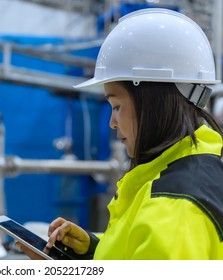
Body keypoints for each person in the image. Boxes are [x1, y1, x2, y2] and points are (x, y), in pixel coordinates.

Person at [16, 8, 223, 259]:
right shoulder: (192, 164)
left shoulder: (173, 209)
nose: (113, 123)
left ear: (153, 102)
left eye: (116, 106)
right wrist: (93, 249)